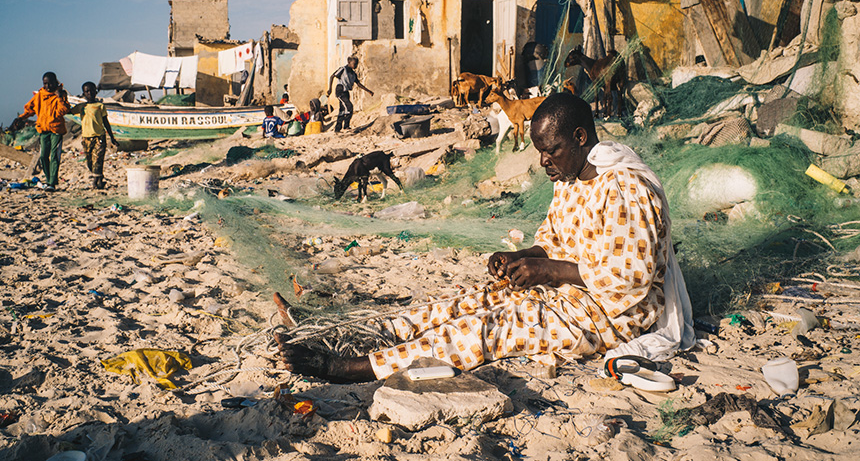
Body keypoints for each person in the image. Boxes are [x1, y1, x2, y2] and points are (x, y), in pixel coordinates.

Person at [276, 92, 693, 382]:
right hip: (568, 293)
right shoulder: (570, 177)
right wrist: (519, 257)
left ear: (581, 138)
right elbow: (553, 242)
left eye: (552, 151)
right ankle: (342, 334)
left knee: (492, 327)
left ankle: (351, 369)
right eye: (539, 152)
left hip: (613, 316)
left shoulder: (626, 189)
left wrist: (548, 270)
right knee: (463, 303)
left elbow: (630, 280)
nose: (544, 162)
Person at [10, 72, 72, 192]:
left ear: (56, 82)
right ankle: (49, 180)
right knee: (43, 156)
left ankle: (52, 183)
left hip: (56, 130)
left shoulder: (61, 94)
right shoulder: (40, 95)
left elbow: (64, 110)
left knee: (54, 156)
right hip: (43, 130)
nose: (48, 86)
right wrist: (21, 118)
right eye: (45, 83)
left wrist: (59, 97)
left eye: (50, 83)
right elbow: (30, 109)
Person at [70, 82, 118, 189]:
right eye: (87, 91)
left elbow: (106, 122)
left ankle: (96, 182)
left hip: (99, 137)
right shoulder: (81, 107)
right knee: (90, 162)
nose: (90, 93)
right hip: (86, 138)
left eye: (92, 91)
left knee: (98, 159)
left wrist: (112, 137)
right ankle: (99, 177)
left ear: (96, 92)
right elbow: (68, 111)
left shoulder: (100, 106)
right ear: (83, 93)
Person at [327, 56, 373, 132]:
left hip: (346, 92)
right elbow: (332, 76)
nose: (355, 65)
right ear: (349, 62)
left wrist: (368, 91)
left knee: (342, 110)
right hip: (340, 90)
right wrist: (330, 89)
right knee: (349, 107)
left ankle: (337, 129)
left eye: (357, 64)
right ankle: (346, 126)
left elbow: (358, 84)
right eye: (354, 64)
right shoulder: (342, 69)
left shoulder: (353, 74)